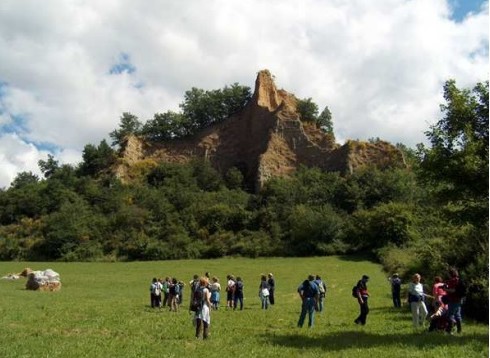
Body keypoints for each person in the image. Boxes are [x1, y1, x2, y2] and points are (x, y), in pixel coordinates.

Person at [444, 268, 464, 334]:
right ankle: (459, 330)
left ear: (450, 274)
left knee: (449, 315)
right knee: (457, 315)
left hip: (453, 300)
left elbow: (453, 290)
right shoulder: (459, 279)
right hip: (459, 299)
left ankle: (449, 331)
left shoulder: (452, 280)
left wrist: (446, 289)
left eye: (448, 274)